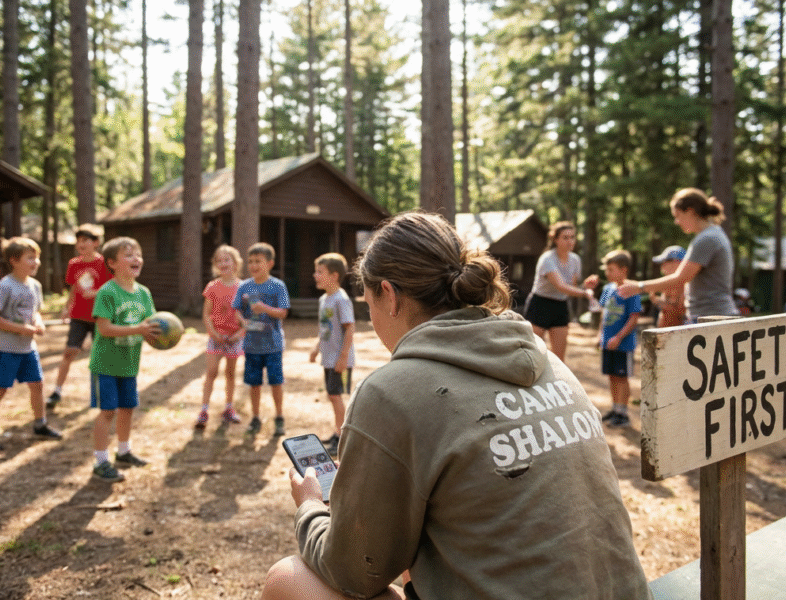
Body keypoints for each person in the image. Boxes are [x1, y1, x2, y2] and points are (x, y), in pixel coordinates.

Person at [261, 212, 652, 600]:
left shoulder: (392, 392)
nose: (371, 317)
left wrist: (311, 506)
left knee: (286, 578)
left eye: (369, 303)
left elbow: (355, 572)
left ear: (390, 296)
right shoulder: (548, 359)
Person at [0, 237, 63, 451]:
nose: (36, 262)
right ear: (14, 261)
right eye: (30, 258)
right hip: (4, 349)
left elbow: (35, 313)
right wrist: (22, 329)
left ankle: (40, 425)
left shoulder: (35, 286)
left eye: (37, 258)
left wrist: (38, 324)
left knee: (37, 385)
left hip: (27, 348)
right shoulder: (4, 286)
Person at [87, 237, 161, 482]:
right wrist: (137, 330)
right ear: (112, 263)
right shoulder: (107, 292)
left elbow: (149, 327)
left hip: (129, 364)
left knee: (127, 408)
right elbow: (105, 329)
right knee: (107, 411)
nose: (136, 259)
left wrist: (162, 337)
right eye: (128, 255)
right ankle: (100, 461)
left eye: (138, 254)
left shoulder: (144, 293)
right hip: (106, 364)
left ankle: (124, 451)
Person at [618, 188, 738, 322]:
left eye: (677, 215)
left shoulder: (707, 238)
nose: (676, 222)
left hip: (713, 318)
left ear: (690, 211)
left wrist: (639, 287)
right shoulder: (712, 234)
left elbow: (680, 278)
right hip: (709, 316)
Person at [48, 223, 112, 409]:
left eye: (85, 240)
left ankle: (101, 393)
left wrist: (96, 293)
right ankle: (57, 391)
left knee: (100, 356)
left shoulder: (104, 263)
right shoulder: (73, 264)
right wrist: (67, 307)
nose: (81, 244)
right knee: (70, 352)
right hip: (78, 316)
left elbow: (111, 289)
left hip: (99, 316)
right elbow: (74, 287)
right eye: (78, 241)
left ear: (96, 242)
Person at [233, 242, 291, 438]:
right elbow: (237, 310)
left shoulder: (278, 286)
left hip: (273, 345)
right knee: (254, 383)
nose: (253, 265)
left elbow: (283, 313)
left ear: (270, 263)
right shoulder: (244, 286)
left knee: (276, 382)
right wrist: (243, 322)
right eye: (250, 261)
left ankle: (279, 417)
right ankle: (256, 418)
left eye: (258, 261)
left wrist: (264, 308)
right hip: (251, 346)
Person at [523, 221, 598, 361]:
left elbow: (572, 287)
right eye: (565, 237)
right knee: (534, 354)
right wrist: (585, 293)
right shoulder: (547, 259)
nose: (570, 241)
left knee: (559, 359)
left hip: (560, 306)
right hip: (540, 304)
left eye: (572, 237)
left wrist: (585, 286)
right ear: (555, 239)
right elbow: (561, 286)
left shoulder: (575, 260)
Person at [309, 253, 356, 457]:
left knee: (335, 396)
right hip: (328, 358)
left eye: (320, 272)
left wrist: (343, 357)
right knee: (332, 395)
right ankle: (338, 432)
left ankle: (344, 437)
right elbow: (325, 329)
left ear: (335, 275)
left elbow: (350, 328)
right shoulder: (323, 299)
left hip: (339, 359)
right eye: (316, 271)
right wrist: (316, 347)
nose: (315, 275)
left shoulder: (341, 299)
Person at [196, 244, 246, 429]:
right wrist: (213, 333)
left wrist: (239, 334)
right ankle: (203, 410)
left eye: (227, 259)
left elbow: (247, 318)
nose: (223, 263)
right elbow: (206, 314)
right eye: (219, 260)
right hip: (216, 337)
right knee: (211, 372)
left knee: (230, 374)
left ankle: (229, 408)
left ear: (235, 263)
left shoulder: (243, 287)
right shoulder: (212, 286)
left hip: (234, 339)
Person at [597, 250, 642, 428]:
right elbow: (604, 313)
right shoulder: (608, 289)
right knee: (612, 376)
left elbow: (633, 317)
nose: (607, 273)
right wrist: (600, 334)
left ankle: (623, 413)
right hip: (608, 342)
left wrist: (618, 337)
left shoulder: (632, 289)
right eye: (606, 269)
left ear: (624, 270)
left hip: (623, 344)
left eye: (611, 269)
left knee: (622, 378)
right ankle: (615, 409)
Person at [650, 245, 686, 327]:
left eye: (665, 261)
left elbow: (680, 313)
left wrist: (659, 302)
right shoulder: (668, 284)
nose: (662, 266)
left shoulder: (686, 286)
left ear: (676, 262)